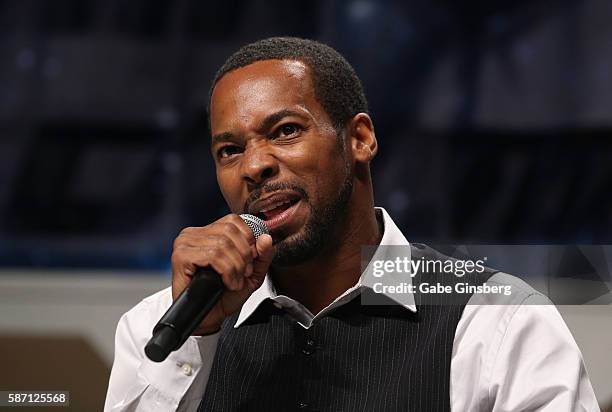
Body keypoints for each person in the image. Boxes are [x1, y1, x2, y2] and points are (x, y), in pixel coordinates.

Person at [104, 37, 599, 411]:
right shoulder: (158, 328)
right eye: (229, 150)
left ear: (359, 139)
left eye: (286, 131)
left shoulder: (497, 321)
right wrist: (198, 337)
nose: (254, 167)